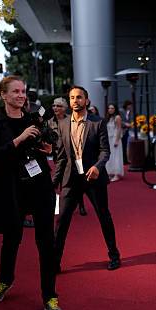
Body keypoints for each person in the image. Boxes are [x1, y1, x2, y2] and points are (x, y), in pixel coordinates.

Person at [0, 75, 61, 310]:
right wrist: (18, 139)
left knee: (46, 242)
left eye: (23, 91)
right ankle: (5, 280)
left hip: (39, 186)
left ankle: (50, 295)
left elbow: (48, 146)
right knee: (11, 238)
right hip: (10, 189)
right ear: (3, 94)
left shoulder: (33, 119)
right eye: (15, 91)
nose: (21, 95)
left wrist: (48, 149)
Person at [53, 85, 121, 271]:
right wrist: (54, 181)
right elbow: (61, 156)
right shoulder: (63, 123)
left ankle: (114, 255)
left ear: (87, 100)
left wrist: (98, 166)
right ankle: (55, 261)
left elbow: (105, 151)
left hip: (93, 178)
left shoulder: (97, 122)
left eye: (79, 97)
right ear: (69, 101)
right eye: (73, 97)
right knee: (62, 220)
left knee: (103, 216)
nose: (76, 100)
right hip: (71, 178)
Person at [50, 97, 87, 216]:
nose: (55, 108)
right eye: (54, 105)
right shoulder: (50, 122)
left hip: (75, 157)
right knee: (59, 181)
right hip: (59, 157)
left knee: (79, 180)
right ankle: (59, 207)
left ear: (65, 108)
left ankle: (81, 204)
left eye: (59, 106)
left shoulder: (72, 120)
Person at [105, 103, 124, 181]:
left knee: (116, 156)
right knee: (110, 156)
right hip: (109, 139)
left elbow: (119, 129)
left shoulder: (117, 117)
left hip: (115, 138)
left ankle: (116, 174)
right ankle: (110, 173)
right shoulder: (108, 118)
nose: (110, 110)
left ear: (115, 109)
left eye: (112, 108)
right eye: (109, 108)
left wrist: (116, 140)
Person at [121, 100, 133, 164]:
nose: (130, 107)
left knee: (126, 145)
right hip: (122, 130)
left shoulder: (130, 112)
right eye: (129, 105)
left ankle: (126, 159)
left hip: (127, 130)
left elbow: (130, 120)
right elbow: (120, 120)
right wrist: (125, 124)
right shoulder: (121, 111)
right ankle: (123, 160)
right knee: (123, 145)